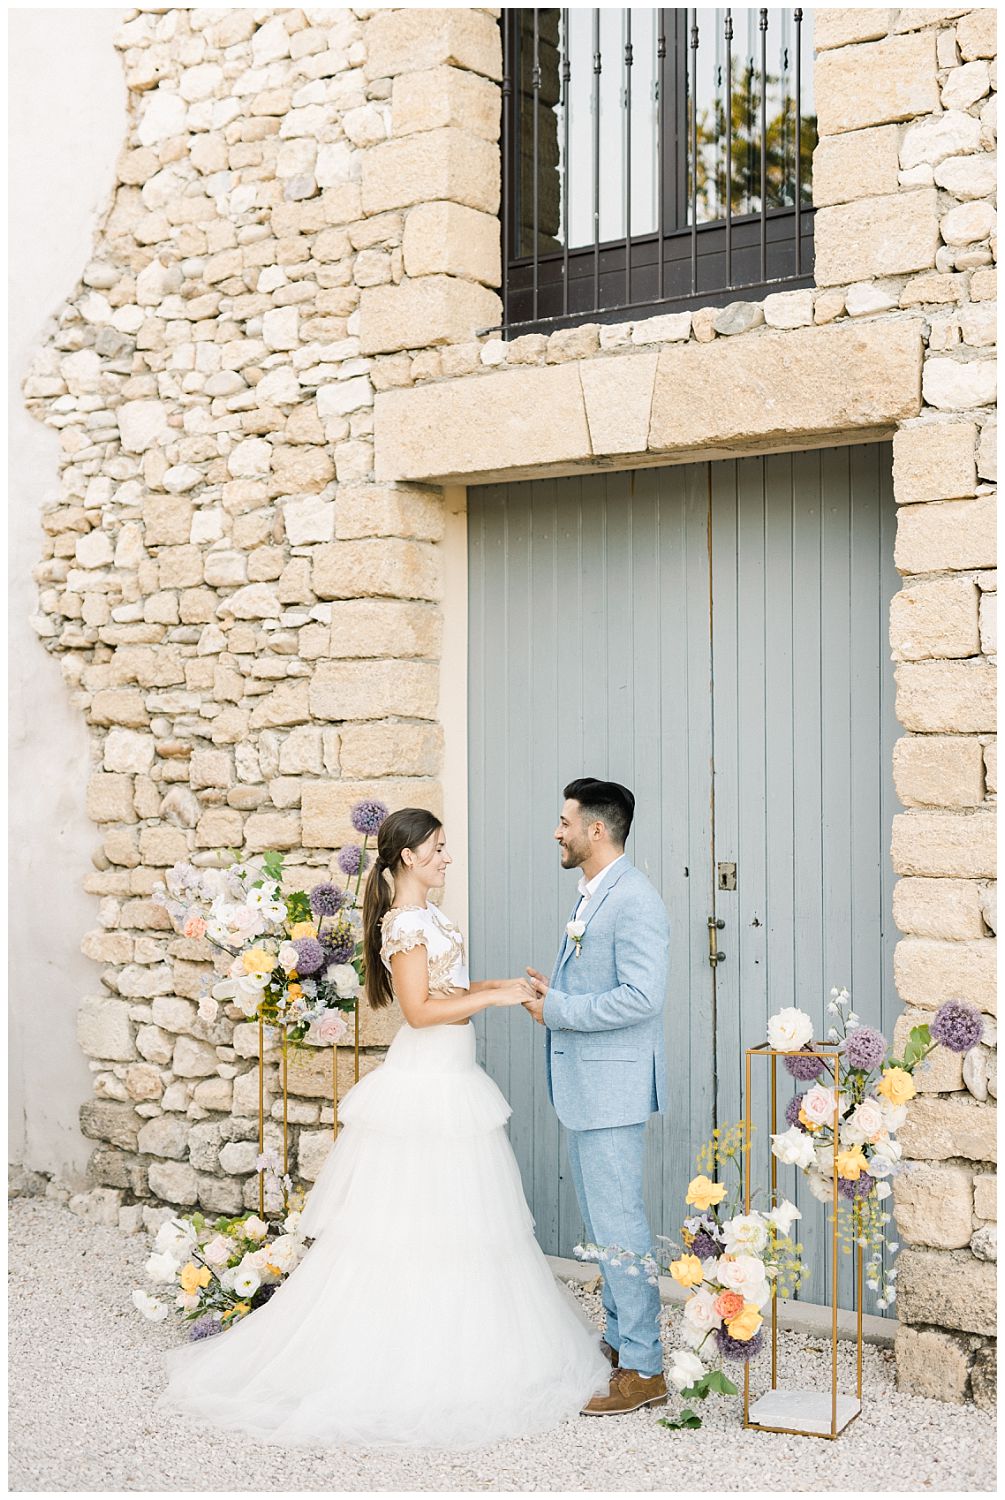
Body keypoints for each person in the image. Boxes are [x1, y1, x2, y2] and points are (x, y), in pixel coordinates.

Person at [157, 807, 609, 1449]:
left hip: (454, 1075)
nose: (448, 858)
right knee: (411, 1223)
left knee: (461, 1221)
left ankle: (462, 1348)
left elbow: (446, 986)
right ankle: (397, 1356)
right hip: (426, 1081)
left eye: (447, 848)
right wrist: (495, 1001)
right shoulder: (401, 923)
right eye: (439, 849)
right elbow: (420, 1011)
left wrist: (499, 983)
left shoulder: (429, 918)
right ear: (406, 859)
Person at [524, 778, 671, 1416]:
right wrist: (552, 989)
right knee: (603, 1226)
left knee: (620, 1226)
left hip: (611, 1089)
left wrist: (558, 1007)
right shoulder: (595, 893)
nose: (557, 831)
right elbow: (597, 980)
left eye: (565, 821)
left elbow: (643, 996)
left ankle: (644, 1367)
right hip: (589, 1088)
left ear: (596, 830)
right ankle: (617, 1341)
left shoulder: (634, 899)